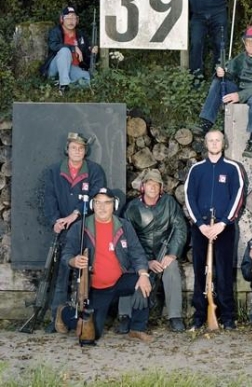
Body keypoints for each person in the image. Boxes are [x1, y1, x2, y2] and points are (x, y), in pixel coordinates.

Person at [54, 187, 153, 343]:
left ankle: (137, 329)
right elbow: (66, 254)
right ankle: (64, 312)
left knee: (144, 281)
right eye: (98, 203)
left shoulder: (124, 226)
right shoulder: (81, 227)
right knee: (91, 335)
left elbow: (137, 252)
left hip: (120, 280)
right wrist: (74, 261)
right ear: (93, 205)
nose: (102, 207)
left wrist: (143, 274)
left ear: (114, 205)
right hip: (95, 288)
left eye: (107, 203)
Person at [42, 132, 107, 331]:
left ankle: (85, 320)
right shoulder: (54, 171)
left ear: (85, 151)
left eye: (81, 148)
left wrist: (76, 214)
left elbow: (97, 195)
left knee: (88, 274)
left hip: (87, 228)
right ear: (67, 149)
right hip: (63, 231)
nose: (77, 151)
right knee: (60, 274)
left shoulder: (95, 170)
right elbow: (49, 198)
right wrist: (55, 221)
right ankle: (56, 319)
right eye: (73, 147)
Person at [183, 129, 246, 330]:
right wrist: (200, 225)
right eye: (211, 140)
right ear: (206, 143)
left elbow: (238, 196)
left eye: (218, 140)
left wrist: (223, 223)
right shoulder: (196, 169)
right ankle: (200, 314)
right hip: (201, 228)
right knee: (201, 270)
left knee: (225, 272)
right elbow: (189, 197)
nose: (214, 143)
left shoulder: (233, 168)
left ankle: (227, 316)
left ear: (223, 143)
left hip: (224, 228)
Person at [116, 169, 188, 334]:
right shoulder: (132, 207)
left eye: (156, 184)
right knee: (128, 271)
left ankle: (175, 316)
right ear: (143, 186)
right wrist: (145, 262)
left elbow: (180, 228)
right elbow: (127, 237)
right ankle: (125, 316)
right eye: (149, 184)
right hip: (141, 255)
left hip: (164, 252)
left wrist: (172, 254)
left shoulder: (170, 203)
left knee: (172, 270)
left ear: (161, 187)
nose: (153, 188)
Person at [195, 25, 252, 159]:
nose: (250, 46)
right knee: (218, 82)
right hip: (242, 90)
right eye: (247, 43)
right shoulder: (240, 58)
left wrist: (240, 95)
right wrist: (221, 72)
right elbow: (230, 72)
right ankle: (206, 121)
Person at [39, 5, 98, 93]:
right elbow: (53, 46)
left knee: (88, 78)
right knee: (65, 51)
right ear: (62, 19)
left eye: (73, 18)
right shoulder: (55, 31)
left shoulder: (80, 34)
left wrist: (93, 50)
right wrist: (73, 48)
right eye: (68, 18)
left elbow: (87, 52)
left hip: (72, 68)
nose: (71, 21)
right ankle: (63, 85)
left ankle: (66, 84)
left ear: (77, 20)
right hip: (55, 68)